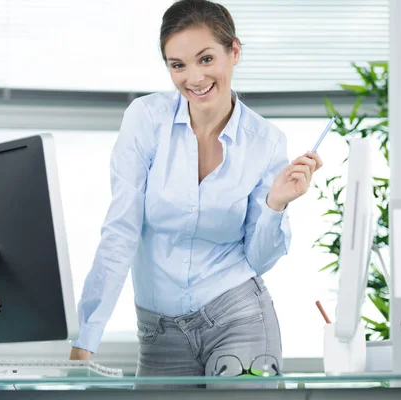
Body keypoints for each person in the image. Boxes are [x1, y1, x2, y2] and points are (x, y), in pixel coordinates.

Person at [70, 0, 323, 385]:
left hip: (238, 317)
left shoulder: (266, 142)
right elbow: (120, 232)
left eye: (206, 59)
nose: (194, 77)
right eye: (178, 65)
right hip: (158, 334)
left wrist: (275, 204)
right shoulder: (146, 120)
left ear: (233, 52)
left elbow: (258, 258)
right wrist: (85, 341)